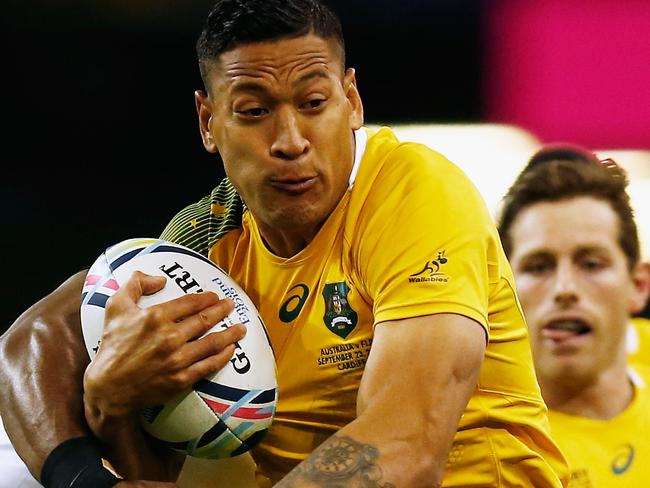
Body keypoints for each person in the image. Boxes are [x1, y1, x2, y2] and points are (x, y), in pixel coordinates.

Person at [0, 0, 569, 486]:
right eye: (254, 112)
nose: (290, 141)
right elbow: (30, 341)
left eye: (314, 104)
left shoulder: (411, 189)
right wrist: (100, 426)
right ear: (207, 121)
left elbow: (406, 446)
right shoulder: (206, 239)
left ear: (352, 102)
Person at [497, 143, 650, 486]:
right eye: (539, 267)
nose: (564, 288)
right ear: (501, 291)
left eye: (591, 264)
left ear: (638, 285)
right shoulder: (483, 451)